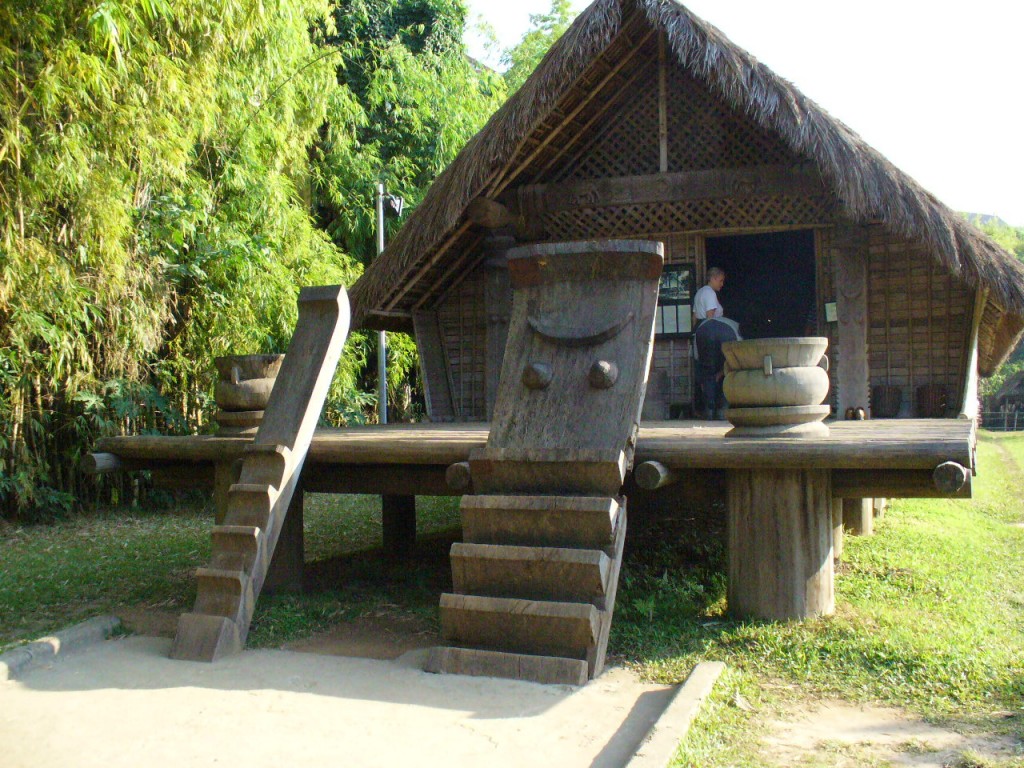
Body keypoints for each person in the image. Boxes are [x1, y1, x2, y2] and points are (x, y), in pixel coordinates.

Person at [694, 315, 741, 420]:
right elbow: (736, 357)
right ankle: (722, 409)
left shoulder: (701, 326)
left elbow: (697, 357)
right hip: (727, 334)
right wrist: (723, 370)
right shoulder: (734, 325)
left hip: (703, 333)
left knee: (708, 373)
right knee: (728, 375)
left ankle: (709, 409)